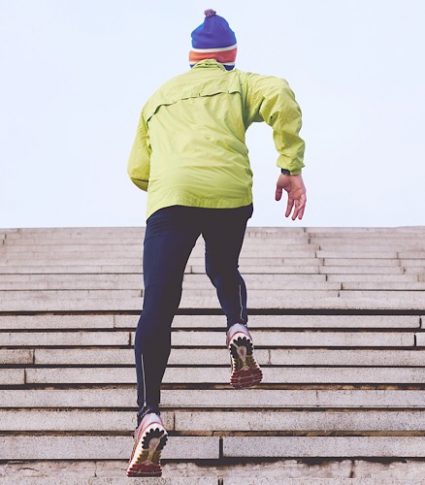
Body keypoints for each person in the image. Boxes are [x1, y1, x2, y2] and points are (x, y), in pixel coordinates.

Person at [125, 9, 307, 477]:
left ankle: (148, 413)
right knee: (223, 268)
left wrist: (172, 179)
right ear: (230, 56)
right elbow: (280, 92)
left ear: (192, 58)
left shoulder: (158, 97)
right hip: (228, 192)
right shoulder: (240, 82)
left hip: (172, 198)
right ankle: (236, 327)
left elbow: (137, 170)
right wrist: (289, 165)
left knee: (159, 304)